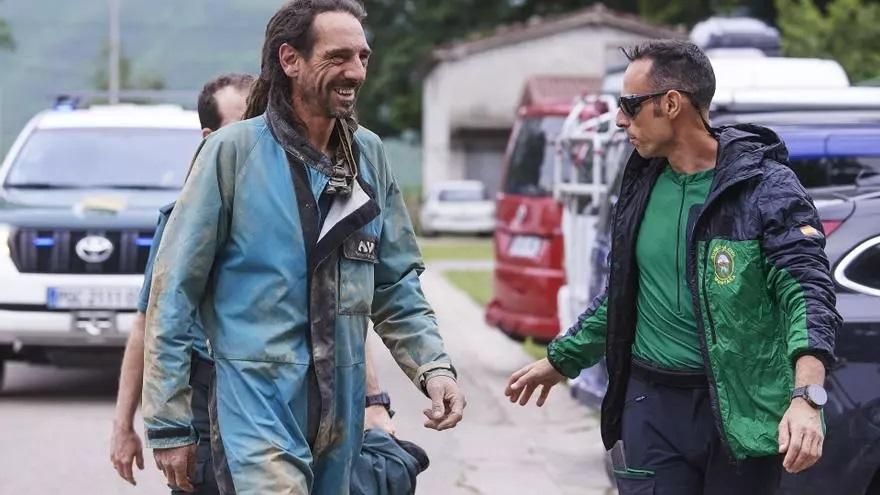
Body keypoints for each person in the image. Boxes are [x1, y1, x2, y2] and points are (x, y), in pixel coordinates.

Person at [142, 1, 465, 494]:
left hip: (342, 409)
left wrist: (433, 367)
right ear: (290, 59)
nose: (355, 72)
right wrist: (168, 422)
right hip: (257, 402)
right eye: (338, 57)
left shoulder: (369, 157)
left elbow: (395, 283)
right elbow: (173, 292)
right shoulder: (232, 154)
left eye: (362, 57)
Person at [505, 40, 839, 495]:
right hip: (652, 407)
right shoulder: (642, 180)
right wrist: (562, 359)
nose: (621, 119)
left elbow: (808, 295)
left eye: (629, 104)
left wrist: (805, 397)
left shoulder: (766, 187)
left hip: (741, 411)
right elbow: (625, 295)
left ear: (671, 103)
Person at [110, 72, 399, 492]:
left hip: (300, 393)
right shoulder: (183, 219)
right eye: (245, 124)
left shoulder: (307, 207)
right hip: (209, 397)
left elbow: (344, 313)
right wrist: (125, 425)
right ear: (210, 140)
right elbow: (150, 322)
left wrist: (373, 403)